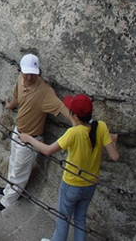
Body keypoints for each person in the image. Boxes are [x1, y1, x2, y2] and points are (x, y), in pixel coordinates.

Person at [19, 94, 119, 241]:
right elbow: (115, 156)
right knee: (80, 219)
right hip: (90, 184)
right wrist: (113, 141)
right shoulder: (101, 127)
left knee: (63, 219)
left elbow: (47, 150)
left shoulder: (73, 133)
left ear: (74, 115)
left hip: (71, 184)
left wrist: (29, 139)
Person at [0, 54, 70, 213]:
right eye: (26, 73)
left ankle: (8, 200)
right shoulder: (20, 81)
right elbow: (17, 97)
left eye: (32, 73)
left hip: (31, 138)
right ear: (20, 71)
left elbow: (62, 108)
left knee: (19, 171)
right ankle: (9, 189)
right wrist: (10, 105)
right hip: (18, 131)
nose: (28, 77)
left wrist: (79, 124)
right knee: (13, 163)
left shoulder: (45, 91)